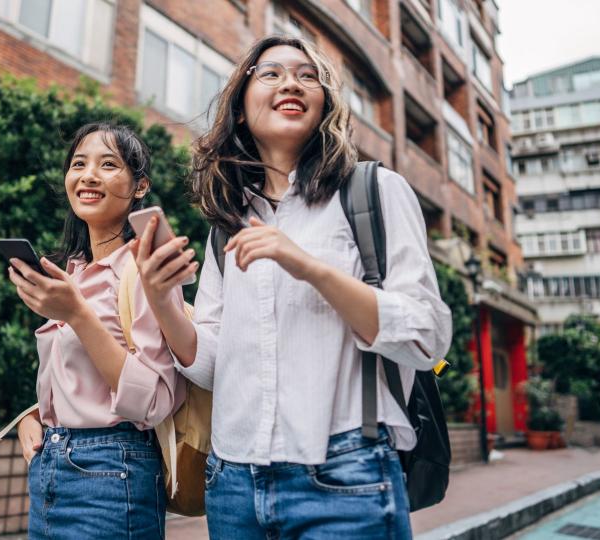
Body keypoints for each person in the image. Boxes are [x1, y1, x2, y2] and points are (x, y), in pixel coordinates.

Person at [132, 36, 453, 538]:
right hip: (233, 482)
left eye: (308, 76)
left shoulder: (373, 191)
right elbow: (213, 366)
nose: (291, 83)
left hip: (345, 475)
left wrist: (309, 267)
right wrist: (162, 300)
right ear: (239, 109)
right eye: (272, 73)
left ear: (324, 104)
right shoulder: (228, 224)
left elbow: (426, 335)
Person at [5, 122, 186, 539]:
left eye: (108, 165)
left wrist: (78, 316)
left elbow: (155, 401)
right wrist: (32, 419)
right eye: (78, 164)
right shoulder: (72, 273)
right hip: (51, 467)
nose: (87, 175)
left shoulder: (147, 270)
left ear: (140, 186)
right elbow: (78, 380)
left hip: (113, 470)